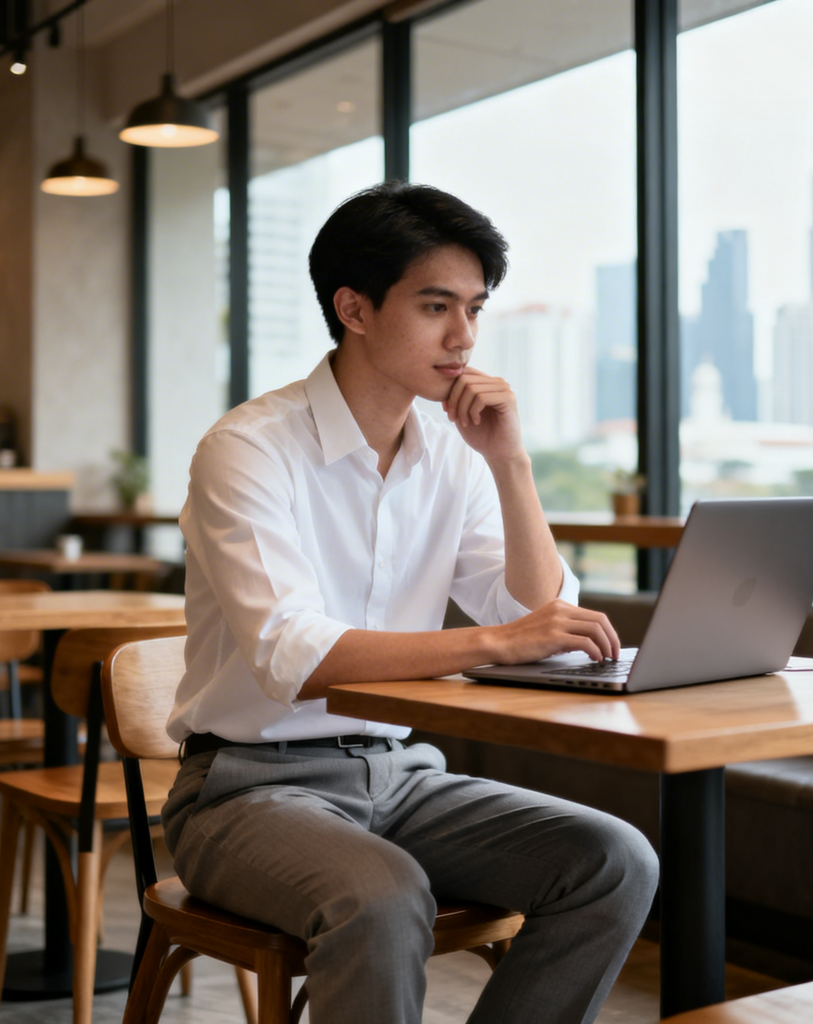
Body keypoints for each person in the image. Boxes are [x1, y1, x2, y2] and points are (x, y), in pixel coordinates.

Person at [162, 181, 659, 1024]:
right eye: (437, 306)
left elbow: (549, 623)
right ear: (353, 308)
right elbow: (297, 657)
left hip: (396, 776)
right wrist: (494, 642)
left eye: (474, 308)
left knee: (614, 859)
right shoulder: (247, 450)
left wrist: (511, 464)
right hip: (242, 791)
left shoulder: (455, 454)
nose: (464, 338)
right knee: (384, 897)